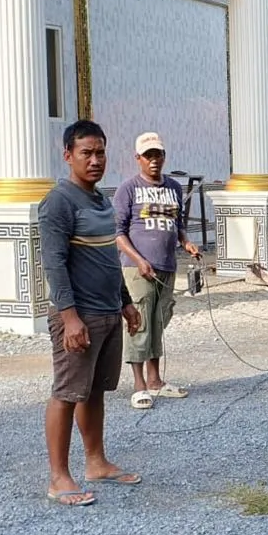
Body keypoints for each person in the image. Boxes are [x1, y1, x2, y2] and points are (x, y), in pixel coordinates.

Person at [39, 120, 144, 507]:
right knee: (67, 393)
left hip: (107, 312)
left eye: (100, 152)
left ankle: (96, 462)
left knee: (94, 390)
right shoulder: (58, 202)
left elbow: (108, 256)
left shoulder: (100, 200)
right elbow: (54, 263)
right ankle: (58, 477)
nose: (95, 160)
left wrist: (125, 301)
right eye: (86, 153)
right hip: (78, 317)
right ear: (68, 155)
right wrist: (69, 317)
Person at [112, 131, 200, 410]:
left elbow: (178, 224)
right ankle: (139, 385)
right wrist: (138, 260)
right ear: (138, 158)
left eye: (157, 155)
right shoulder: (128, 189)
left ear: (164, 157)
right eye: (147, 155)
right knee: (139, 321)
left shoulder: (173, 188)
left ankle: (155, 380)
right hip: (137, 269)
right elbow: (118, 233)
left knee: (158, 321)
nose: (153, 160)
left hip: (166, 265)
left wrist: (186, 242)